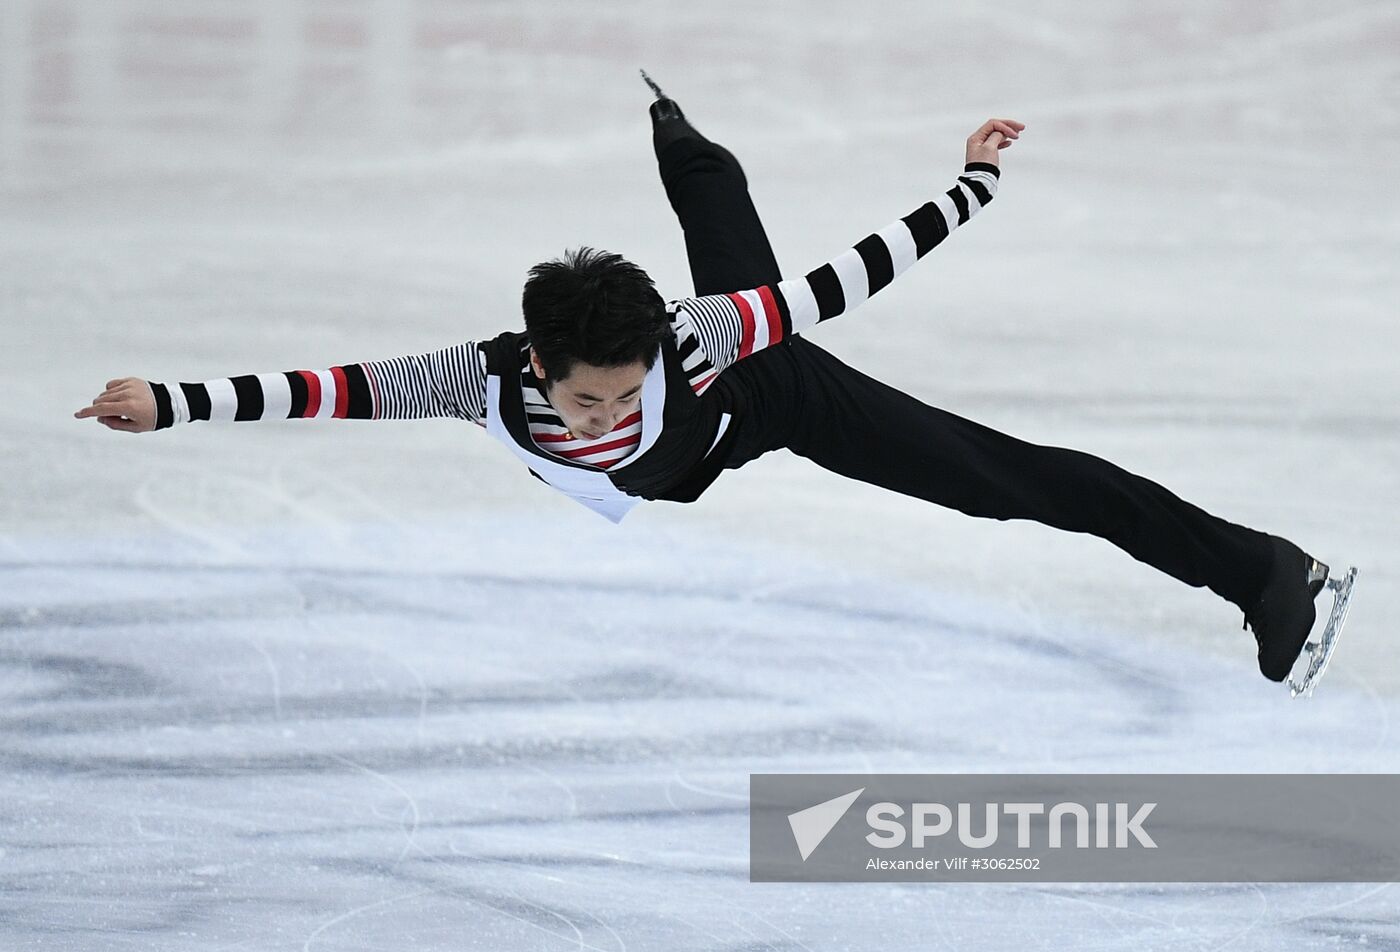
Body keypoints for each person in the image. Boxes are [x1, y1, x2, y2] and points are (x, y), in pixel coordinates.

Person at [75, 75, 1332, 685]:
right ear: (535, 369)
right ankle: (682, 138)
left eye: (623, 393)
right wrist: (164, 401)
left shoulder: (700, 337)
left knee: (1003, 481)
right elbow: (318, 390)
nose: (606, 413)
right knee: (723, 218)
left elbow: (857, 273)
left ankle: (1258, 567)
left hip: (762, 396)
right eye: (587, 402)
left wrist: (974, 179)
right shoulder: (471, 378)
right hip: (692, 441)